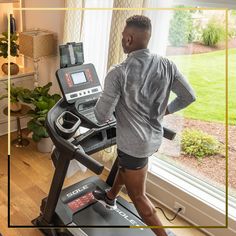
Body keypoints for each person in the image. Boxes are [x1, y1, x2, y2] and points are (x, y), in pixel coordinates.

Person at [92, 15, 196, 236]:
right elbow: (189, 96)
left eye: (122, 36)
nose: (121, 39)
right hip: (153, 138)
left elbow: (101, 116)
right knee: (127, 167)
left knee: (138, 196)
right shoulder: (167, 64)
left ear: (129, 39)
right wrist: (162, 111)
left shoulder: (118, 72)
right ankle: (110, 197)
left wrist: (104, 101)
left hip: (134, 145)